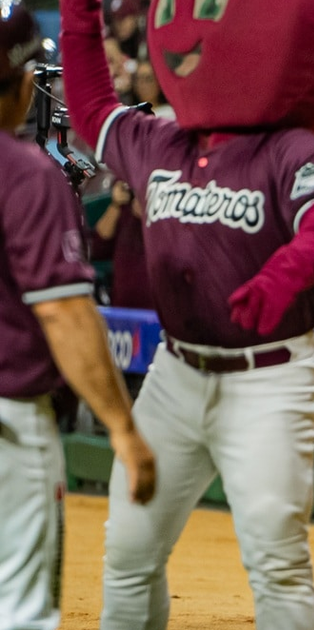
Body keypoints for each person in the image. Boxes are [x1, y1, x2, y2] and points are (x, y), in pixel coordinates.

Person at [61, 0, 314, 627]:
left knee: (274, 561)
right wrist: (79, 17)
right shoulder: (161, 141)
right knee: (128, 547)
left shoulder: (292, 149)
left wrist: (284, 274)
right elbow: (92, 110)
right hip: (177, 374)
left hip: (269, 377)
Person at [0, 3, 156, 628]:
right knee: (21, 610)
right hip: (11, 422)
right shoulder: (27, 175)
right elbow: (65, 315)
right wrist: (122, 428)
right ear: (15, 84)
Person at [90, 179, 153, 310]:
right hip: (123, 310)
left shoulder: (169, 209)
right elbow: (97, 248)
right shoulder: (126, 203)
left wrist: (149, 210)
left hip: (160, 313)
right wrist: (116, 205)